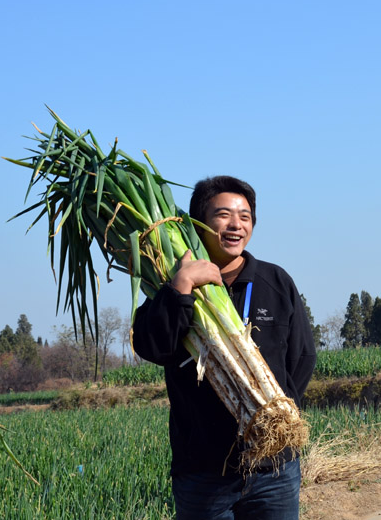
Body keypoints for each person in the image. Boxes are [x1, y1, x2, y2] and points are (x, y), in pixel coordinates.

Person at [132, 175, 316, 520]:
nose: (236, 225)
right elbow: (153, 347)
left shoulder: (275, 282)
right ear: (198, 224)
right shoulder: (167, 285)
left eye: (245, 217)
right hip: (204, 472)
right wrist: (181, 286)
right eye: (223, 215)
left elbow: (302, 356)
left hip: (274, 469)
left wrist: (270, 417)